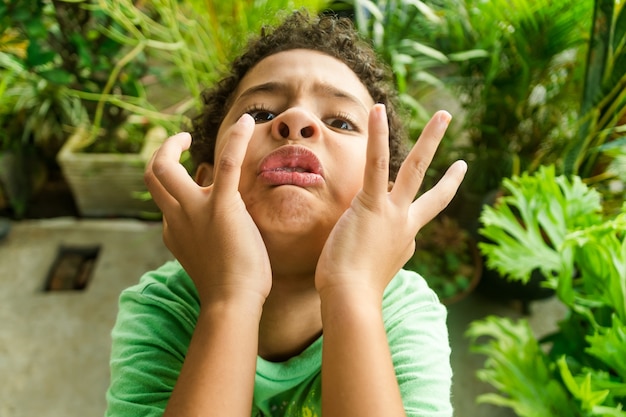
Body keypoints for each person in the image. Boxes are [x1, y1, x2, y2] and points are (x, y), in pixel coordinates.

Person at [105, 9, 467, 417]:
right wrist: (231, 297)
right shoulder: (161, 309)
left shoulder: (407, 314)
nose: (296, 120)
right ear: (202, 186)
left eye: (341, 121)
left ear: (385, 199)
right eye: (261, 113)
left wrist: (353, 290)